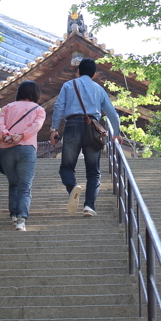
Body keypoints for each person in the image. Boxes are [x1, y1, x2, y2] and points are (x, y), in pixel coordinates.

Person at [49, 58, 122, 217]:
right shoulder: (99, 89)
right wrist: (116, 133)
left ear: (78, 71)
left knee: (66, 167)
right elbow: (112, 114)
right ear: (94, 74)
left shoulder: (68, 85)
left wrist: (54, 129)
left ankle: (73, 187)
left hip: (72, 125)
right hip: (93, 128)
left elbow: (59, 106)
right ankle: (89, 206)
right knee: (93, 172)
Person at [0, 81, 46, 231]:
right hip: (26, 149)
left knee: (13, 184)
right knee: (25, 187)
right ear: (36, 94)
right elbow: (36, 126)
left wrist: (5, 136)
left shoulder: (7, 107)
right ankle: (21, 220)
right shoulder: (39, 110)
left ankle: (13, 215)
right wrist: (23, 135)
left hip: (6, 149)